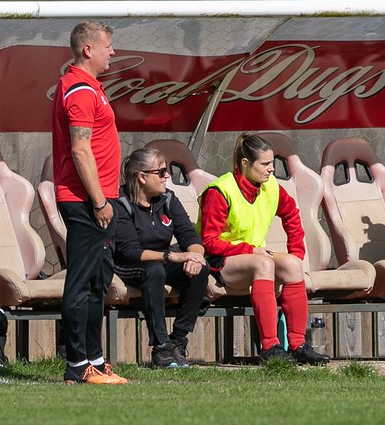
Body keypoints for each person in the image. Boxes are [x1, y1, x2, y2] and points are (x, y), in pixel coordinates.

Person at [197, 133, 331, 366]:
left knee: (291, 265)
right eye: (265, 164)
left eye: (273, 163)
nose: (271, 169)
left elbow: (292, 215)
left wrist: (296, 253)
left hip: (254, 258)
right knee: (264, 262)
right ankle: (270, 347)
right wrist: (250, 250)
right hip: (219, 261)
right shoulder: (220, 191)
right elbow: (209, 242)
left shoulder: (272, 188)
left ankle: (298, 345)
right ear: (246, 163)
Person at [52, 21, 127, 385]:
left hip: (99, 198)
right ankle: (77, 365)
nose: (112, 52)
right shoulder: (80, 90)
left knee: (98, 281)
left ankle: (95, 360)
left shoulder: (91, 88)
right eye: (108, 46)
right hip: (85, 201)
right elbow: (81, 150)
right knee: (81, 282)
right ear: (88, 50)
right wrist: (99, 202)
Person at [113, 148, 211, 368]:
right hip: (126, 265)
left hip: (162, 261)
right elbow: (130, 251)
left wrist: (194, 257)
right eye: (161, 172)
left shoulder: (167, 199)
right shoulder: (120, 203)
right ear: (142, 177)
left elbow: (190, 236)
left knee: (201, 269)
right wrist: (172, 257)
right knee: (154, 271)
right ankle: (160, 346)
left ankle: (178, 340)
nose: (167, 176)